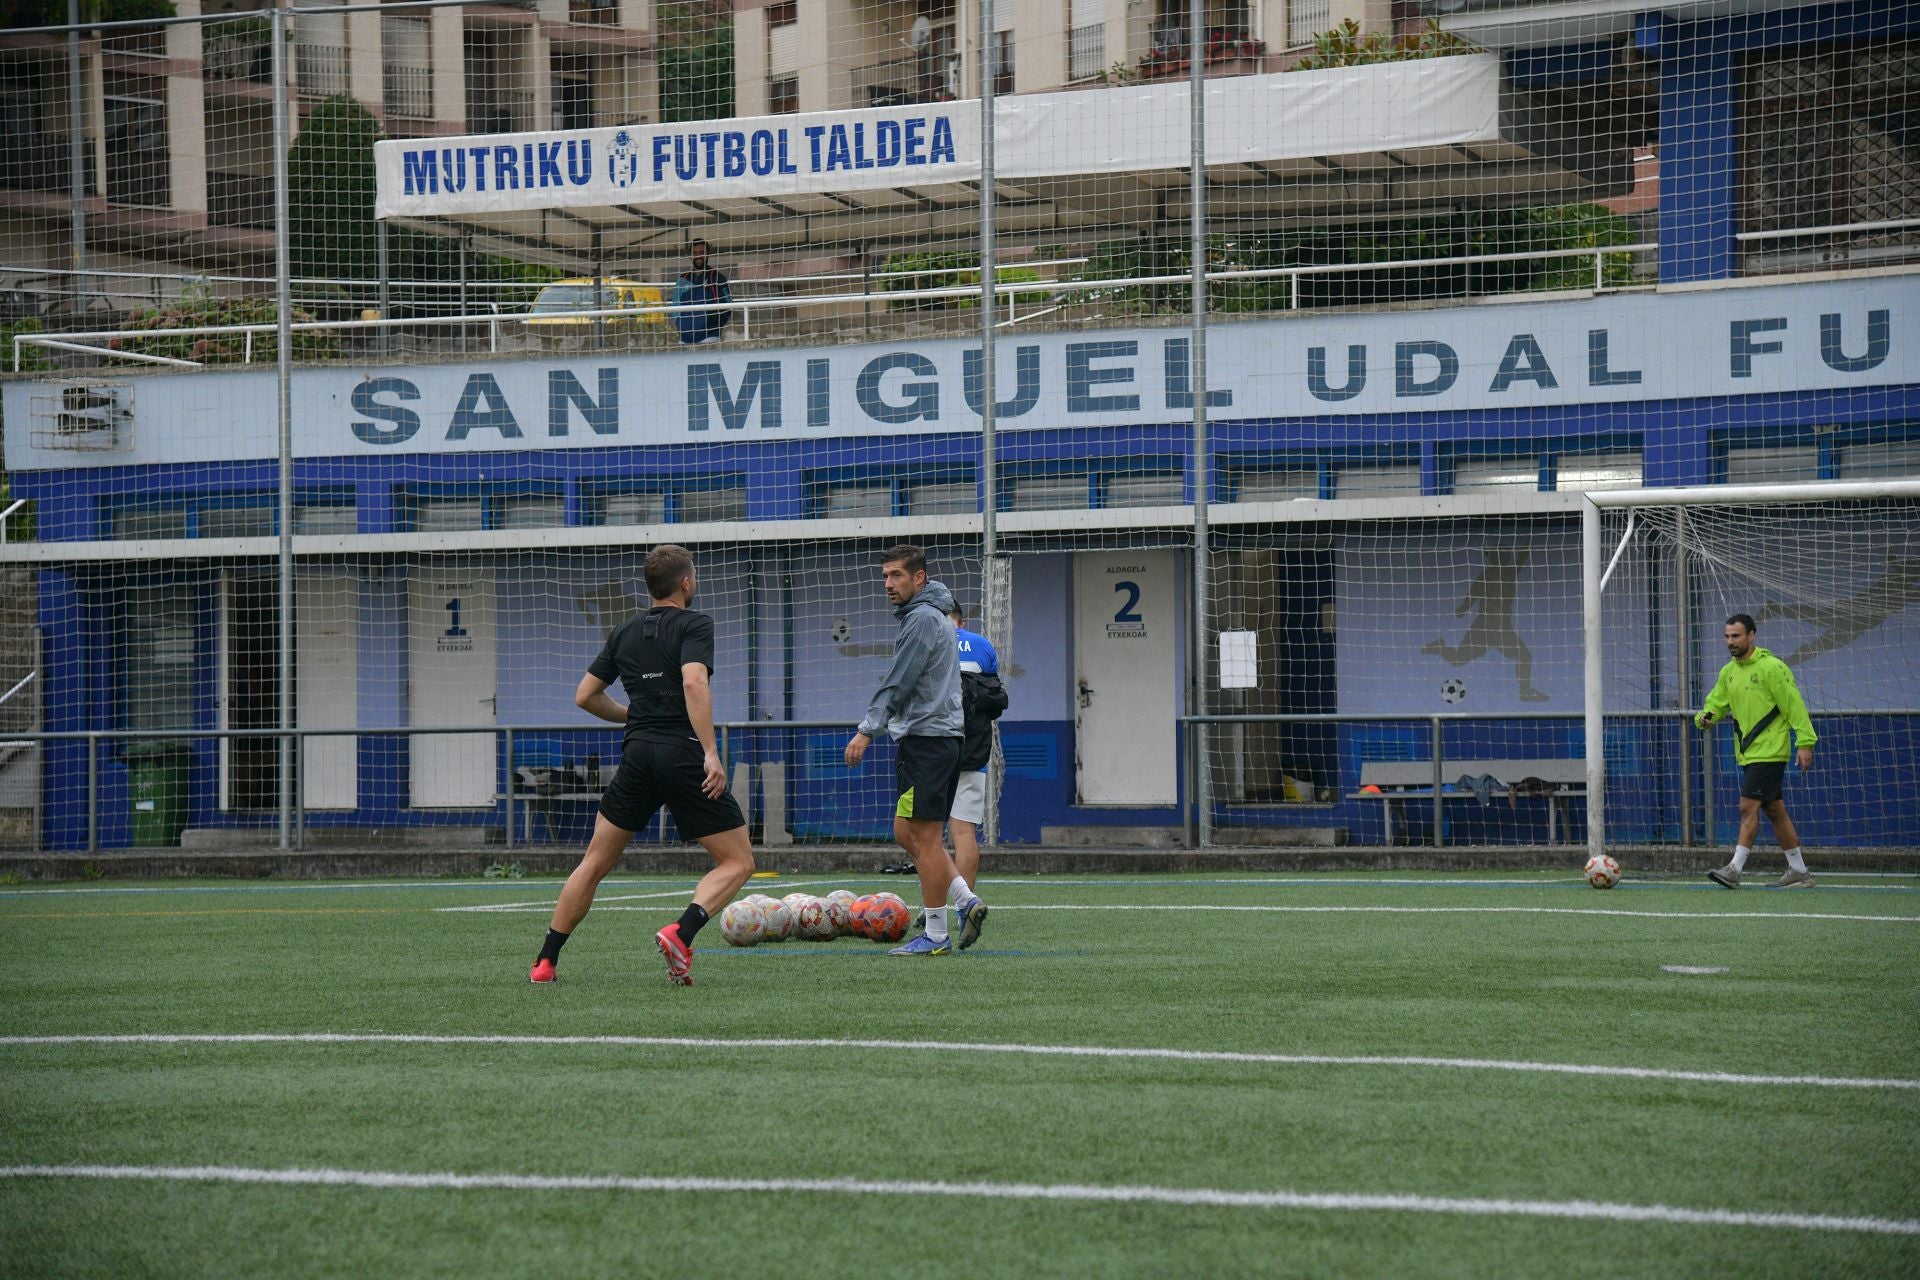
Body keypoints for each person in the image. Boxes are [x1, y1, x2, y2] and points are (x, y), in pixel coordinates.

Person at [530, 544, 755, 986]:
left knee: (594, 861)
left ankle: (545, 961)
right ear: (686, 583)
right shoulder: (696, 623)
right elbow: (693, 681)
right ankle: (681, 932)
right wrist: (711, 752)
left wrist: (633, 714)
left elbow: (585, 696)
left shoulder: (624, 631)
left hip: (636, 757)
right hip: (681, 754)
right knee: (738, 861)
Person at [844, 544, 987, 955]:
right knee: (905, 831)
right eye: (885, 576)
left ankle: (937, 934)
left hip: (927, 742)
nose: (888, 584)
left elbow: (899, 679)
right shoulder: (931, 615)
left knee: (923, 838)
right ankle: (966, 899)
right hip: (930, 740)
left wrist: (867, 729)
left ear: (919, 578)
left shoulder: (923, 619)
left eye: (897, 576)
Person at [1696, 613, 1817, 889]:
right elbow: (1716, 703)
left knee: (1747, 806)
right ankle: (1799, 871)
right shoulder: (1728, 672)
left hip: (1771, 750)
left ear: (1751, 636)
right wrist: (1705, 717)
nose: (1730, 642)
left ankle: (1733, 870)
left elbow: (1794, 705)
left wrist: (1805, 742)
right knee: (1775, 810)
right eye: (1727, 637)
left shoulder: (1772, 668)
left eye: (1736, 636)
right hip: (1748, 753)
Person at [947, 603, 1007, 891]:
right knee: (964, 832)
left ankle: (933, 907)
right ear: (962, 621)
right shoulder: (983, 646)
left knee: (926, 836)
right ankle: (965, 905)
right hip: (974, 751)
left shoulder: (926, 643)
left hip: (932, 751)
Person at [672, 239, 733, 346]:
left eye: (701, 253)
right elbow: (674, 308)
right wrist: (681, 326)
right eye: (695, 253)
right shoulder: (682, 279)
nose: (698, 256)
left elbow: (728, 308)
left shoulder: (718, 278)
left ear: (707, 254)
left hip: (709, 338)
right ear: (690, 255)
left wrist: (712, 326)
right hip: (684, 339)